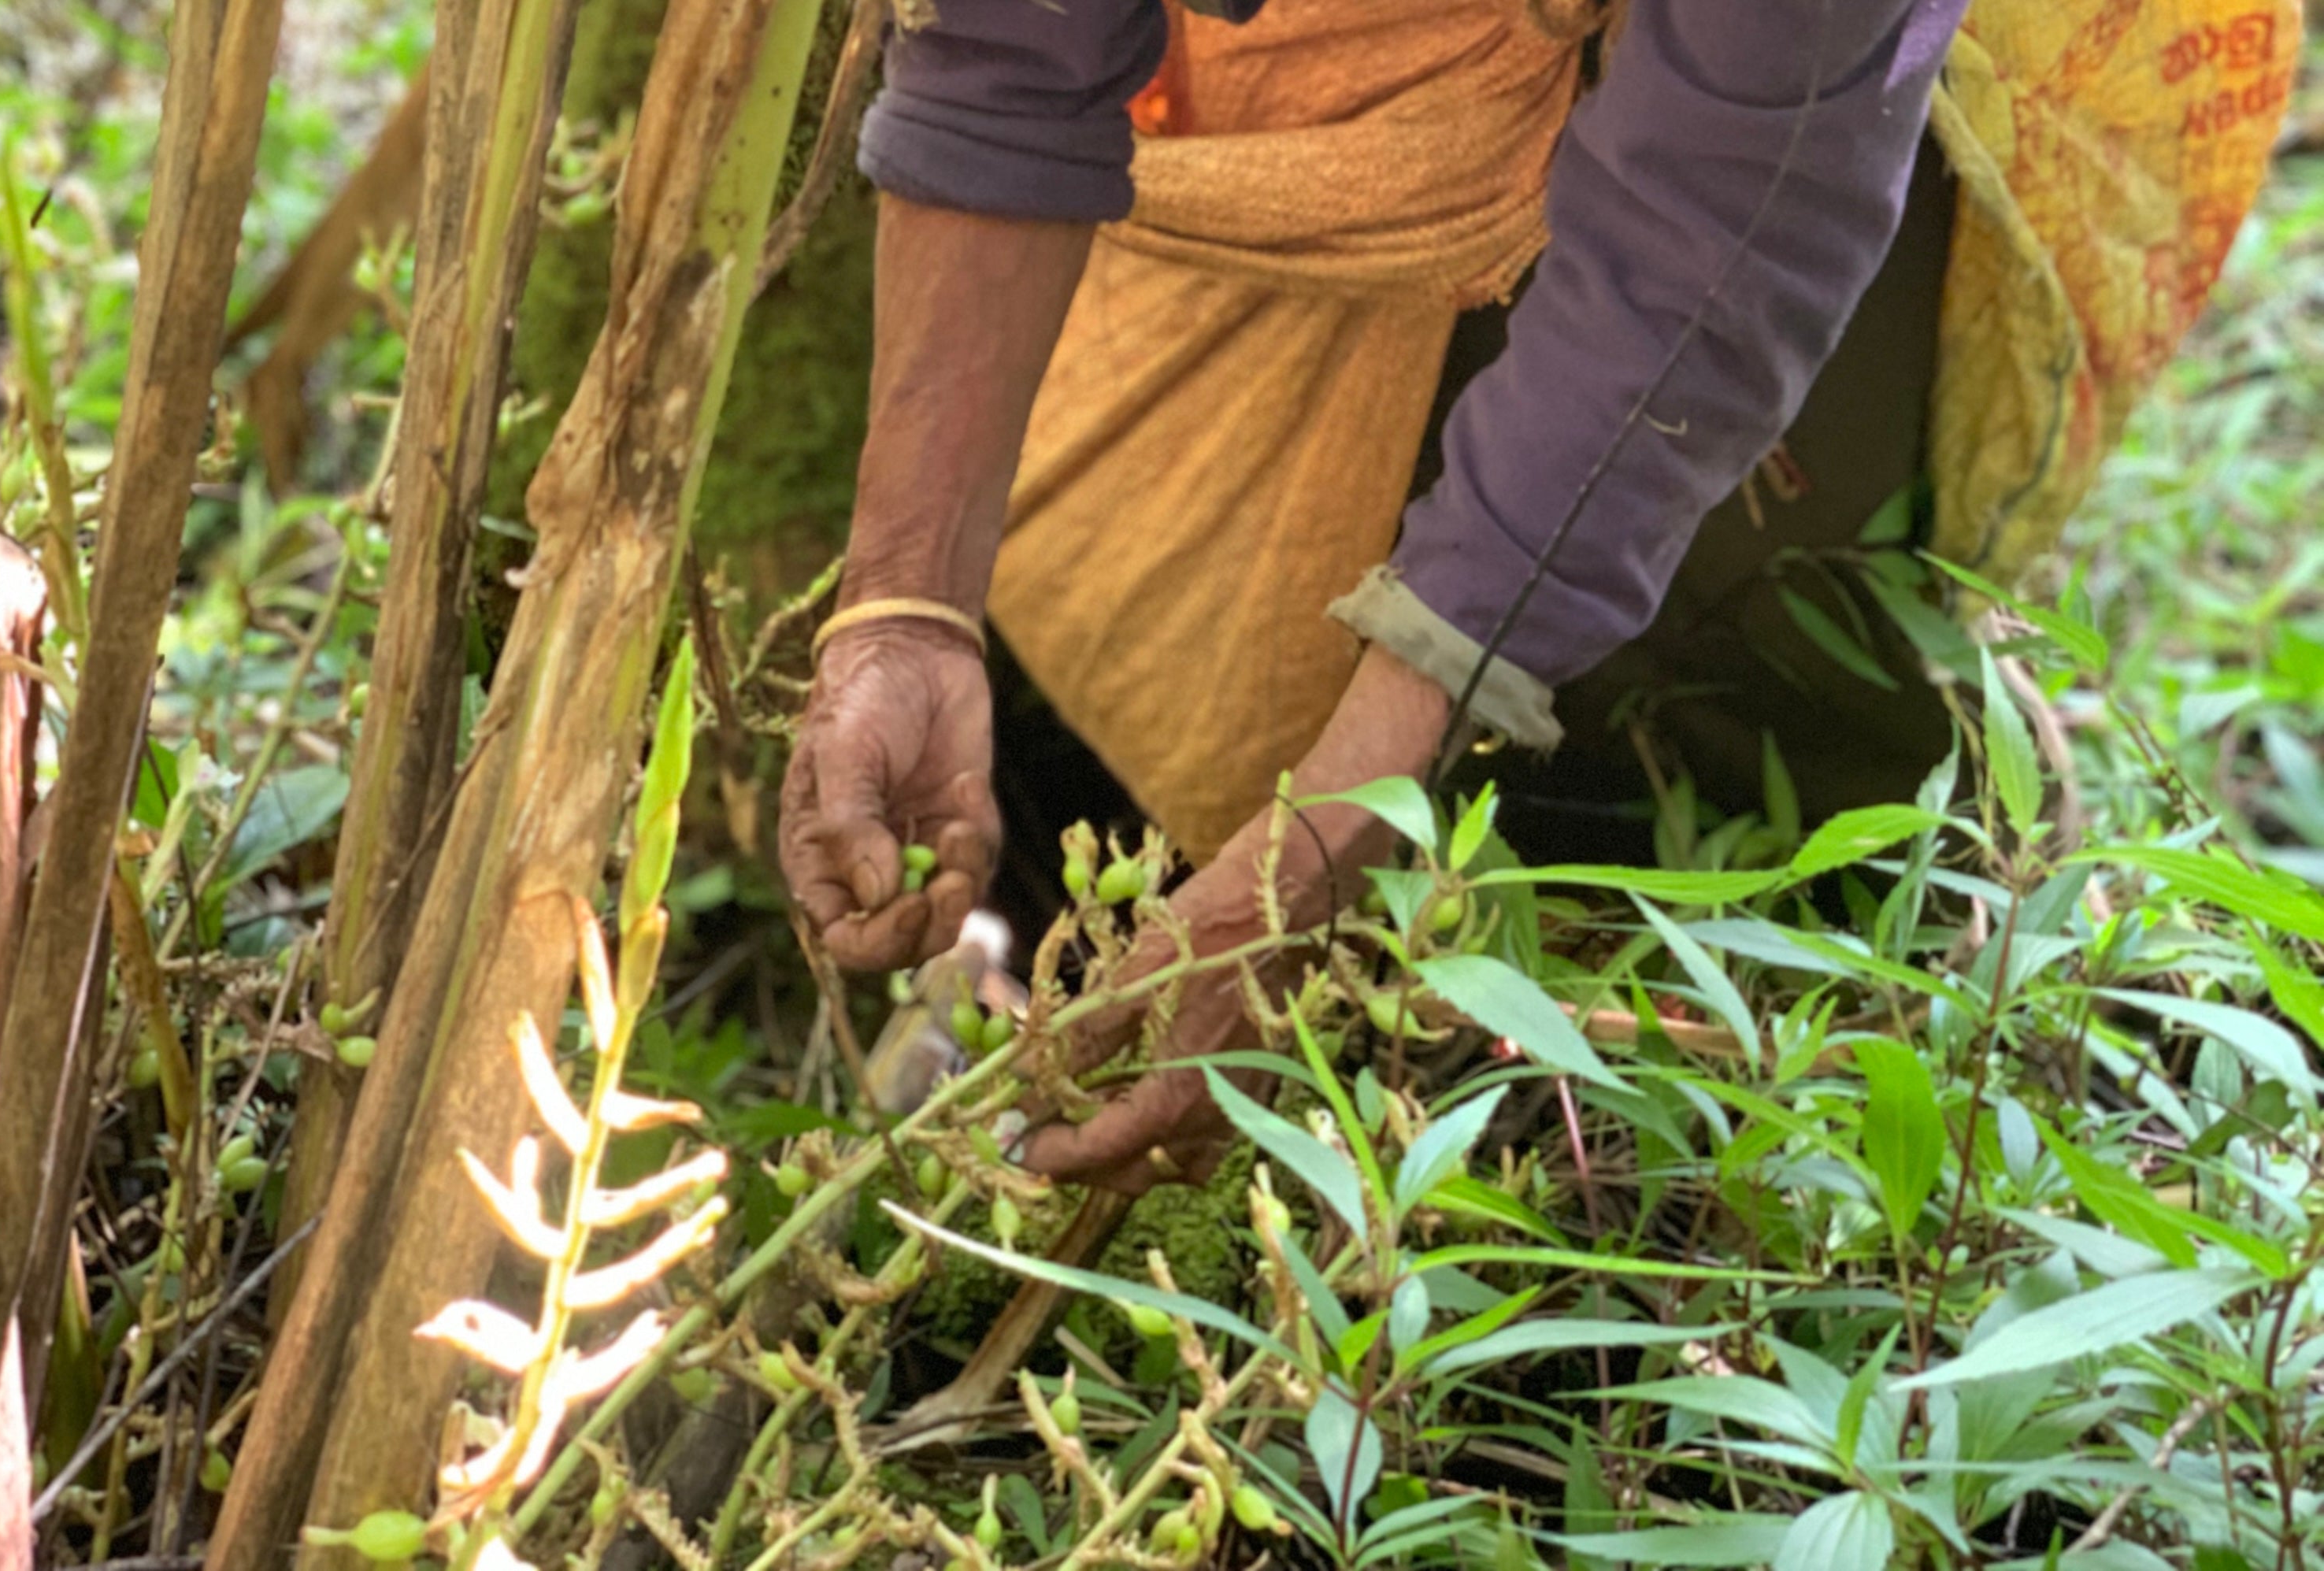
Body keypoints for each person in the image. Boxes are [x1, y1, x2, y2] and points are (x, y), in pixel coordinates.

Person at [777, 0, 2286, 1194]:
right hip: (1302, 91)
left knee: (1701, 665)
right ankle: (1095, 941)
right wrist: (905, 606)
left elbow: (1717, 228)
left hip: (1791, 101)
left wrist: (1333, 838)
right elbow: (1013, 45)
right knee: (1130, 584)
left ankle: (1661, 1089)